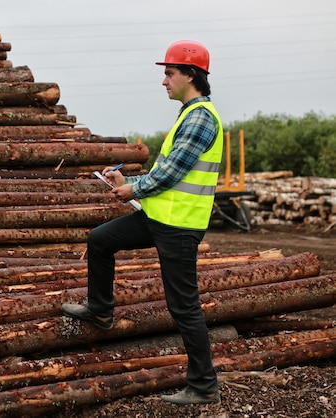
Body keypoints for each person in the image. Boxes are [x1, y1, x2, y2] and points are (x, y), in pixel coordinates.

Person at [61, 40, 223, 405]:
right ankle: (100, 311)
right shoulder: (188, 114)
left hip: (179, 226)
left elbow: (173, 172)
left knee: (183, 305)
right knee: (100, 240)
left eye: (169, 73)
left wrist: (134, 188)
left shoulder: (199, 118)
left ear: (190, 75)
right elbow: (168, 171)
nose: (164, 81)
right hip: (158, 218)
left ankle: (203, 385)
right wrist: (127, 185)